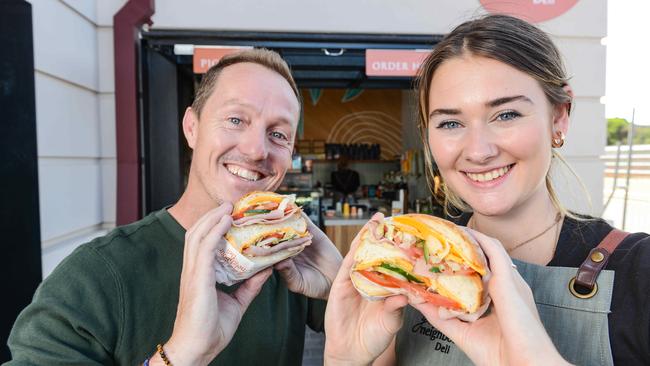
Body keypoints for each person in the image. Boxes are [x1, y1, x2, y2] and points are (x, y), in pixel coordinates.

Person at [323, 14, 650, 365]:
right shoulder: (403, 269)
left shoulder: (640, 272)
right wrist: (343, 360)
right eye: (451, 123)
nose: (478, 151)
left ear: (558, 117)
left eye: (506, 115)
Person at [6, 49, 342, 365]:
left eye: (279, 134)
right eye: (236, 120)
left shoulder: (292, 262)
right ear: (191, 127)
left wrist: (348, 288)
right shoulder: (94, 277)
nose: (256, 150)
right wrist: (181, 354)